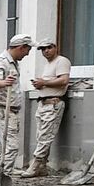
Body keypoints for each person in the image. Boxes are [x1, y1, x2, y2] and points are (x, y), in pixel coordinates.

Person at [23, 39, 71, 177]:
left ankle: (35, 164)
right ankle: (42, 166)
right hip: (43, 103)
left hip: (54, 104)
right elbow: (50, 82)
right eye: (43, 49)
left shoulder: (61, 61)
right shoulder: (48, 64)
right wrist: (40, 84)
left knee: (45, 137)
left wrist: (44, 82)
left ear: (55, 47)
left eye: (48, 48)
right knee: (41, 136)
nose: (46, 51)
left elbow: (63, 80)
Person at [0, 35, 33, 177]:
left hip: (10, 110)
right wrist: (4, 82)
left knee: (3, 146)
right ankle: (4, 177)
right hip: (2, 109)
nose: (28, 54)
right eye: (27, 49)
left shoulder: (13, 62)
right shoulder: (1, 62)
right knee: (11, 146)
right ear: (21, 47)